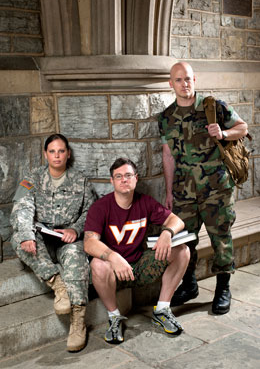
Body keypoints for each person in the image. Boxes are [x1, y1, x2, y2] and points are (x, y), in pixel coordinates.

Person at [158, 62, 248, 315]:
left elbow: (243, 128)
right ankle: (189, 285)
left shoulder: (214, 107)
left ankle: (223, 288)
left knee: (220, 237)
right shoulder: (165, 118)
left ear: (194, 79)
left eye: (187, 79)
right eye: (178, 80)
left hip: (216, 188)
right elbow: (168, 155)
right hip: (184, 191)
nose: (184, 84)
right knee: (186, 239)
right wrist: (168, 192)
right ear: (171, 83)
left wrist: (223, 134)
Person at [84, 157, 190, 344]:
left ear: (136, 178)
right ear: (112, 181)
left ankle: (162, 310)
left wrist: (167, 233)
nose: (124, 180)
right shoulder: (100, 207)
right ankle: (115, 317)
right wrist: (113, 257)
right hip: (114, 271)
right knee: (98, 264)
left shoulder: (145, 202)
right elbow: (89, 243)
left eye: (128, 175)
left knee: (182, 250)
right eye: (119, 176)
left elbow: (177, 221)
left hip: (140, 266)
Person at [10, 133, 96, 352]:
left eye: (61, 151)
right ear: (45, 154)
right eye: (52, 151)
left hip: (68, 239)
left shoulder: (80, 179)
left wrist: (75, 229)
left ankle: (78, 321)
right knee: (19, 237)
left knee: (77, 258)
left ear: (68, 154)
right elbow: (22, 207)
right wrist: (28, 235)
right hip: (42, 238)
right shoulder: (32, 178)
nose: (57, 156)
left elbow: (91, 211)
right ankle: (59, 286)